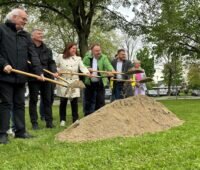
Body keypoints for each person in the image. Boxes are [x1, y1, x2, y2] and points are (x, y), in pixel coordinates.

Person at [0, 8, 44, 144]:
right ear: (14, 17)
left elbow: (33, 55)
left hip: (21, 77)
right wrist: (3, 64)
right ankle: (2, 134)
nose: (25, 22)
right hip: (4, 76)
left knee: (19, 104)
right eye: (23, 19)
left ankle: (20, 131)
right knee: (6, 104)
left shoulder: (25, 36)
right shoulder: (1, 30)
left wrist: (39, 72)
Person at [28, 29, 58, 129]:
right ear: (33, 36)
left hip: (47, 78)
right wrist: (37, 73)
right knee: (33, 100)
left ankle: (49, 122)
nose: (41, 35)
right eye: (39, 33)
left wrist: (54, 71)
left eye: (42, 33)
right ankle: (34, 123)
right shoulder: (28, 48)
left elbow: (51, 62)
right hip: (34, 77)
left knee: (47, 100)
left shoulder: (47, 49)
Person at [56, 42, 90, 126]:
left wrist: (87, 72)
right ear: (68, 49)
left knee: (74, 102)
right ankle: (62, 120)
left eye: (75, 48)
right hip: (63, 80)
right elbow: (55, 66)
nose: (74, 50)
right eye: (72, 48)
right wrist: (57, 72)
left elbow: (82, 67)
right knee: (63, 101)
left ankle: (75, 119)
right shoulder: (60, 57)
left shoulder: (78, 58)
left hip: (74, 81)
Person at [83, 44, 114, 116]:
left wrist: (112, 71)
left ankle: (100, 116)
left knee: (100, 100)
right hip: (89, 83)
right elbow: (82, 65)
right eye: (96, 51)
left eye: (99, 50)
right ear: (92, 51)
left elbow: (108, 65)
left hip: (100, 83)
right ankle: (88, 116)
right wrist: (87, 68)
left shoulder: (104, 57)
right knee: (88, 101)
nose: (99, 52)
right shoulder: (87, 57)